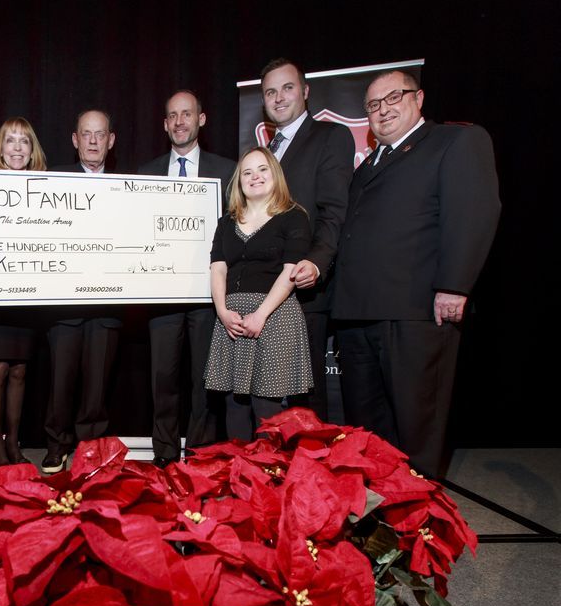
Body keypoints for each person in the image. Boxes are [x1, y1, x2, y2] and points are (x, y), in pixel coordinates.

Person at [331, 70, 500, 476]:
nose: (383, 110)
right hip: (357, 313)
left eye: (394, 98)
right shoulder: (368, 165)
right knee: (368, 429)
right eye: (373, 105)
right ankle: (379, 519)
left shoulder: (455, 141)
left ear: (418, 98)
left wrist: (454, 286)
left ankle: (419, 521)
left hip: (415, 310)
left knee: (416, 424)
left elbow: (474, 213)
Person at [138, 90, 236, 466]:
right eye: (172, 116)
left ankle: (199, 458)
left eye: (187, 114)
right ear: (165, 124)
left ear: (201, 119)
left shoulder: (227, 171)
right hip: (161, 294)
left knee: (203, 383)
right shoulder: (145, 174)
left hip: (209, 295)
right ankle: (163, 457)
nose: (180, 122)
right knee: (162, 381)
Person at [260, 58, 355, 421]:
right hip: (263, 289)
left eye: (287, 88)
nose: (279, 97)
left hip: (305, 287)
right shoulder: (264, 154)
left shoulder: (331, 137)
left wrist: (317, 262)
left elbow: (333, 211)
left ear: (305, 91)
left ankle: (312, 473)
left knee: (306, 392)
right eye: (270, 91)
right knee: (268, 395)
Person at [204, 147, 313, 440]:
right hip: (232, 319)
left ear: (275, 174)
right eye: (247, 172)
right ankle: (241, 475)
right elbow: (218, 270)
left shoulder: (293, 216)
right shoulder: (226, 222)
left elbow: (290, 272)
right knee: (233, 403)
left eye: (263, 169)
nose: (255, 177)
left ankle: (269, 478)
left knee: (267, 407)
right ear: (239, 181)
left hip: (274, 316)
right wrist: (223, 313)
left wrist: (261, 315)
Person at [42, 109, 121, 474]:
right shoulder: (53, 184)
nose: (93, 141)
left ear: (111, 140)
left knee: (97, 387)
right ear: (75, 140)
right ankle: (56, 445)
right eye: (86, 134)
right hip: (65, 304)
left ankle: (90, 449)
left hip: (107, 305)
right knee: (60, 382)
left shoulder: (128, 187)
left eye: (99, 134)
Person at [0, 118, 48, 466]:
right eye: (10, 141)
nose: (17, 148)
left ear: (32, 150)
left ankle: (14, 442)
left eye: (24, 142)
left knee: (19, 369)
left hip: (28, 291)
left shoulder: (44, 189)